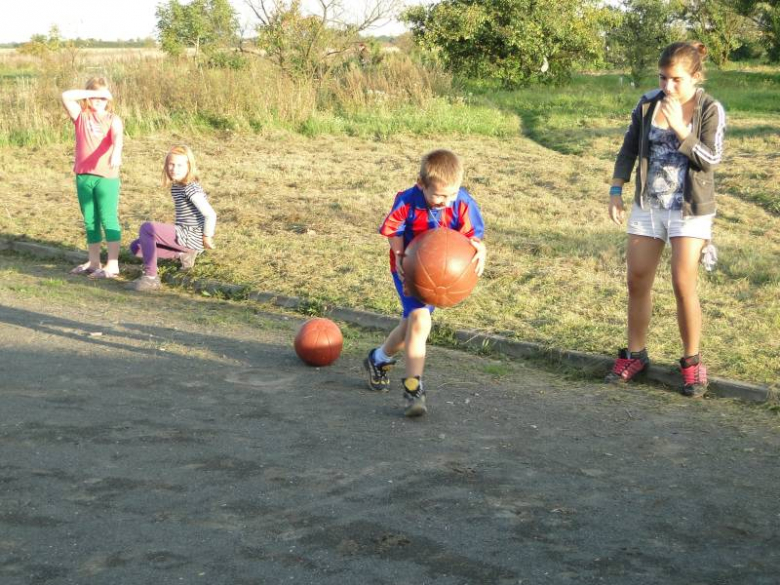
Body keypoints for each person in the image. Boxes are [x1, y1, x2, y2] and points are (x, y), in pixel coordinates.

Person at [606, 41, 726, 398]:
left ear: (695, 76)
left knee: (682, 283)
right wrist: (616, 189)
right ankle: (635, 355)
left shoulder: (709, 108)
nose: (667, 86)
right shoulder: (647, 104)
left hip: (689, 210)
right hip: (648, 206)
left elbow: (710, 159)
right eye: (662, 78)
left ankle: (692, 363)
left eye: (676, 79)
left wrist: (680, 130)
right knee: (637, 280)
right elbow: (628, 148)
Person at [364, 149, 486, 417]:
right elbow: (393, 230)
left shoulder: (463, 203)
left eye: (452, 194)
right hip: (409, 269)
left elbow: (472, 236)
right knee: (420, 320)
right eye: (439, 195)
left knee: (410, 326)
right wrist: (399, 255)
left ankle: (379, 359)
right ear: (421, 184)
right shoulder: (407, 200)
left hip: (441, 273)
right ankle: (413, 390)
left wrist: (480, 248)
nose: (446, 201)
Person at [126, 145, 216, 292]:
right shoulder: (177, 187)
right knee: (137, 247)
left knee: (147, 228)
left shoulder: (191, 188)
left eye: (180, 165)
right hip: (183, 234)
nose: (174, 169)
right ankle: (183, 254)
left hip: (190, 235)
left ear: (189, 167)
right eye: (171, 164)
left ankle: (151, 278)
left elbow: (210, 214)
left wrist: (206, 237)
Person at [61, 77, 124, 278]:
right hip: (83, 176)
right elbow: (66, 96)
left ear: (109, 100)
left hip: (106, 177)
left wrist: (116, 152)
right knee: (90, 220)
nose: (98, 101)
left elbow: (118, 136)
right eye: (95, 96)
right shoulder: (81, 116)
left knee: (108, 217)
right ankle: (94, 261)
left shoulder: (113, 118)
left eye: (103, 97)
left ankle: (112, 264)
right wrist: (93, 93)